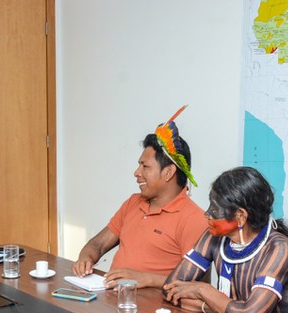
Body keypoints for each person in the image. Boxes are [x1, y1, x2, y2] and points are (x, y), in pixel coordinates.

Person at [72, 106, 208, 289]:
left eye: (145, 166)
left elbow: (199, 284)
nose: (136, 173)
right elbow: (98, 244)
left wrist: (146, 279)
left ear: (168, 172)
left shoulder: (194, 219)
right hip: (112, 302)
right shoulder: (133, 202)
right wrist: (85, 258)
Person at [163, 166, 288, 313]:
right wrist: (217, 308)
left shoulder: (280, 249)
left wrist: (202, 290)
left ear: (240, 216)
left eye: (215, 210)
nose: (207, 214)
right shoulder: (214, 236)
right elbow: (170, 290)